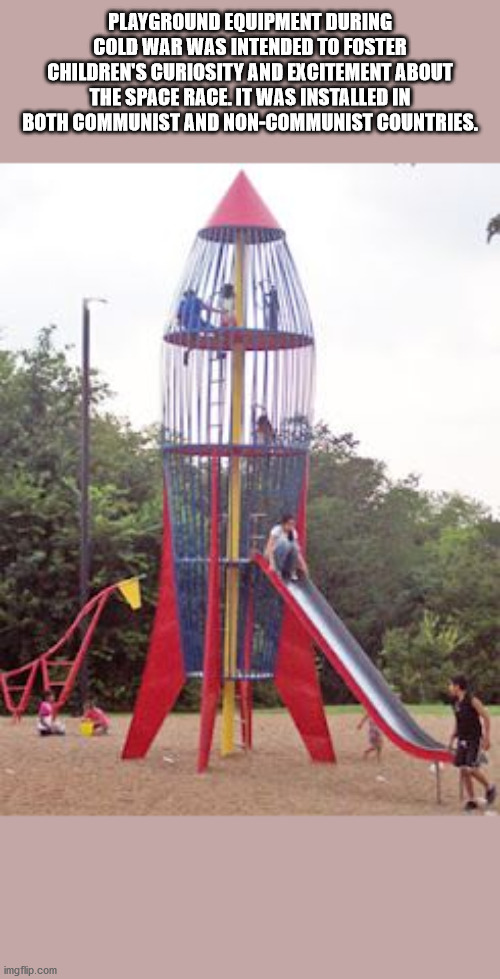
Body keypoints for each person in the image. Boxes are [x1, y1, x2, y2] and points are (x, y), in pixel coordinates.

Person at [448, 675, 496, 811]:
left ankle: (490, 787)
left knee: (471, 769)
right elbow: (458, 722)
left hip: (474, 739)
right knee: (463, 769)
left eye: (451, 684)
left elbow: (486, 717)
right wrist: (452, 739)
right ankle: (472, 800)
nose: (449, 687)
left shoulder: (472, 700)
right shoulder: (455, 702)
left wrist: (486, 738)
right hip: (462, 739)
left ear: (458, 686)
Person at [264, 513, 308, 582]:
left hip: (285, 560)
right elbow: (269, 548)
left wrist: (303, 565)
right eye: (289, 524)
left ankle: (291, 571)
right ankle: (278, 571)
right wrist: (272, 564)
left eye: (293, 524)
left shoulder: (293, 532)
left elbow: (297, 551)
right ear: (283, 524)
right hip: (273, 557)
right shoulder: (277, 530)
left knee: (294, 546)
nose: (291, 526)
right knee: (284, 543)